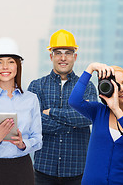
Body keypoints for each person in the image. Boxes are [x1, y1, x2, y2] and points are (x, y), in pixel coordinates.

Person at [28, 29, 97, 185]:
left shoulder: (87, 87)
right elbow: (35, 122)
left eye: (68, 53)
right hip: (43, 170)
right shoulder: (37, 86)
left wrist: (51, 112)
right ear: (51, 56)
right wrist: (72, 124)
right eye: (58, 53)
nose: (63, 58)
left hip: (77, 170)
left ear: (75, 56)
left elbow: (87, 117)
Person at [69, 62, 123, 184]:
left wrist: (117, 110)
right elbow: (74, 101)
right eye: (117, 86)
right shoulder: (98, 112)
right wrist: (91, 68)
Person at [0, 37, 42, 185]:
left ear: (18, 66)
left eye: (10, 61)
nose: (5, 67)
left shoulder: (31, 99)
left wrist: (23, 144)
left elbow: (38, 139)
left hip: (22, 168)